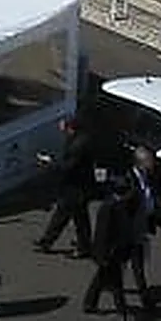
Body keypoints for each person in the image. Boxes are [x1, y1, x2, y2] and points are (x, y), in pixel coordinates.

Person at [37, 115, 98, 257]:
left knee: (66, 216)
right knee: (77, 217)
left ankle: (49, 242)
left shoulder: (78, 145)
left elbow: (68, 166)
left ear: (69, 126)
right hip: (79, 187)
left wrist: (50, 163)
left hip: (75, 188)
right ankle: (83, 245)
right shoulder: (79, 139)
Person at [86, 177, 139, 316]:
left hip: (114, 251)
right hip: (109, 252)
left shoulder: (119, 204)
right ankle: (121, 309)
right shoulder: (110, 207)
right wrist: (103, 255)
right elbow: (102, 234)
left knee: (102, 279)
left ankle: (90, 304)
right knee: (115, 281)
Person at [130, 147, 157, 301]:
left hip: (142, 226)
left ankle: (93, 296)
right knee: (136, 263)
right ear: (141, 163)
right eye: (150, 161)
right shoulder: (130, 179)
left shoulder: (148, 176)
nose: (153, 164)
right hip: (131, 228)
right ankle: (145, 299)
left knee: (136, 263)